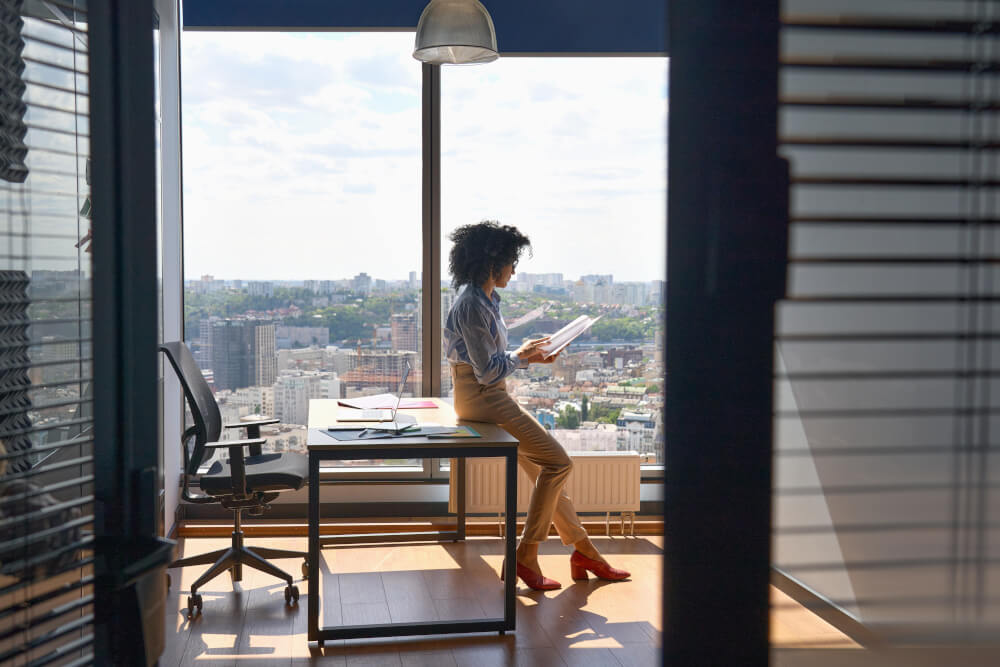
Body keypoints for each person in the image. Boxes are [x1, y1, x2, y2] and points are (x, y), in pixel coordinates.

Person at [443, 220, 630, 590]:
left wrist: (526, 355)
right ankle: (526, 555)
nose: (515, 269)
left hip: (488, 395)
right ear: (492, 263)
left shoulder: (485, 300)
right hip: (483, 397)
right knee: (559, 463)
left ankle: (586, 552)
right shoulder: (471, 305)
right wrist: (525, 356)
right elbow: (486, 371)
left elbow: (493, 361)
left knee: (546, 474)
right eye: (512, 261)